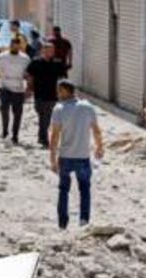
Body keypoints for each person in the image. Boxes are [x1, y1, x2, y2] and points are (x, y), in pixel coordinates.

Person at [49, 79, 103, 229]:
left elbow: (55, 136)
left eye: (59, 90)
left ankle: (62, 223)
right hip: (83, 157)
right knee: (85, 190)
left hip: (65, 156)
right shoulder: (88, 107)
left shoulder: (59, 109)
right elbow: (96, 130)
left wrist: (52, 159)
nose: (57, 93)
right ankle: (84, 220)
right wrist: (100, 147)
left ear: (66, 91)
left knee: (63, 190)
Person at [0, 37, 31, 144]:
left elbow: (29, 75)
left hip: (18, 88)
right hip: (5, 86)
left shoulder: (25, 58)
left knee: (17, 113)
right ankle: (5, 130)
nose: (14, 46)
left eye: (17, 45)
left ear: (20, 46)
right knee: (4, 109)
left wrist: (28, 88)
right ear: (10, 45)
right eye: (13, 44)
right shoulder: (2, 57)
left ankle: (15, 135)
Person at [27, 42, 66, 147]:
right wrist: (29, 89)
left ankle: (43, 138)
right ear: (43, 50)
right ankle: (42, 137)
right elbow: (30, 76)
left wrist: (63, 93)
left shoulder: (57, 63)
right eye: (49, 50)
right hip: (39, 94)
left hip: (53, 95)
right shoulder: (35, 62)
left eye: (53, 50)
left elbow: (62, 78)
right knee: (43, 116)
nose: (52, 52)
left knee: (47, 117)